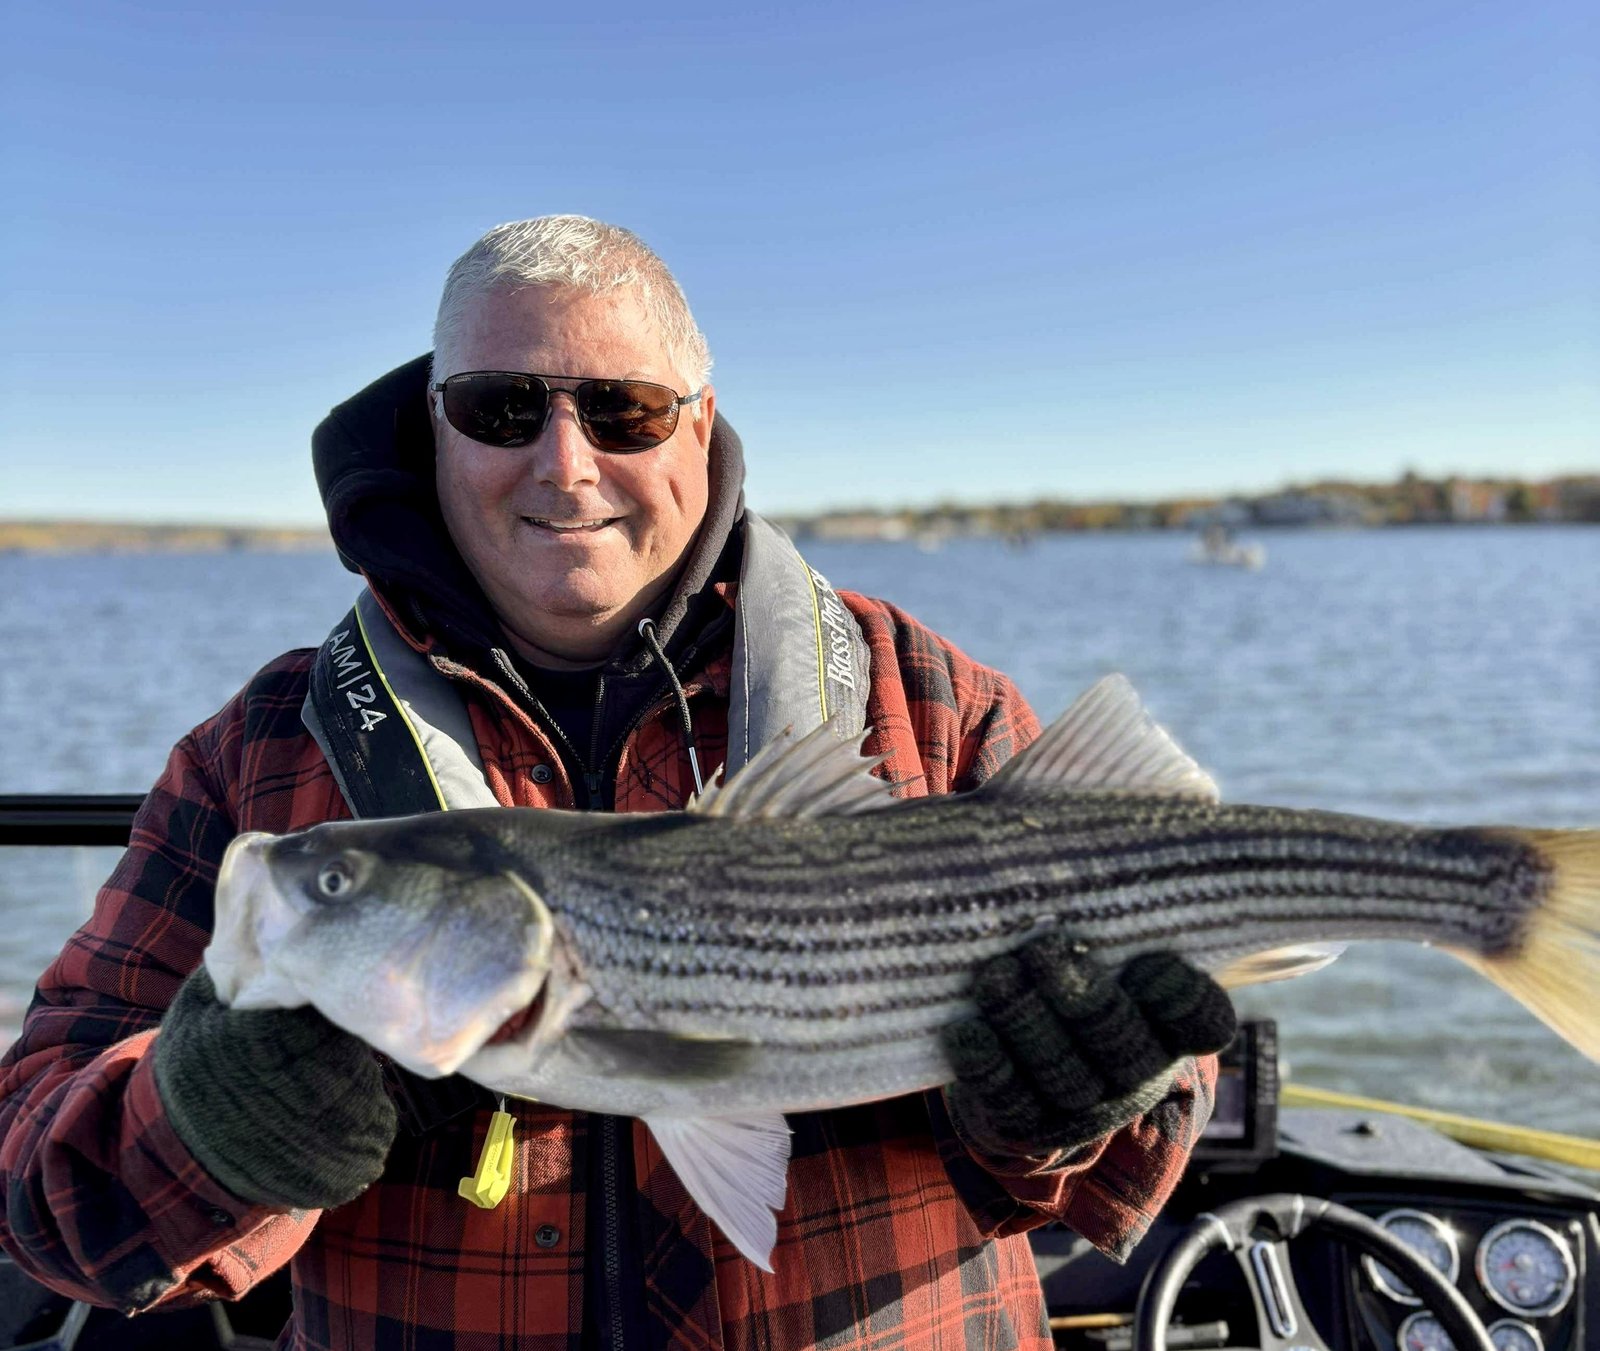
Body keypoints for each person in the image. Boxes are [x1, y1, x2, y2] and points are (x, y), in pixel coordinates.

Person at [0, 216, 1233, 1349]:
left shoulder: (929, 701)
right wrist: (206, 1125)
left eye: (624, 409)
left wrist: (1080, 1104)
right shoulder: (267, 749)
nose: (565, 463)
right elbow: (37, 1195)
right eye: (498, 407)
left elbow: (1148, 1129)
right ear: (433, 424)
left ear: (699, 423)